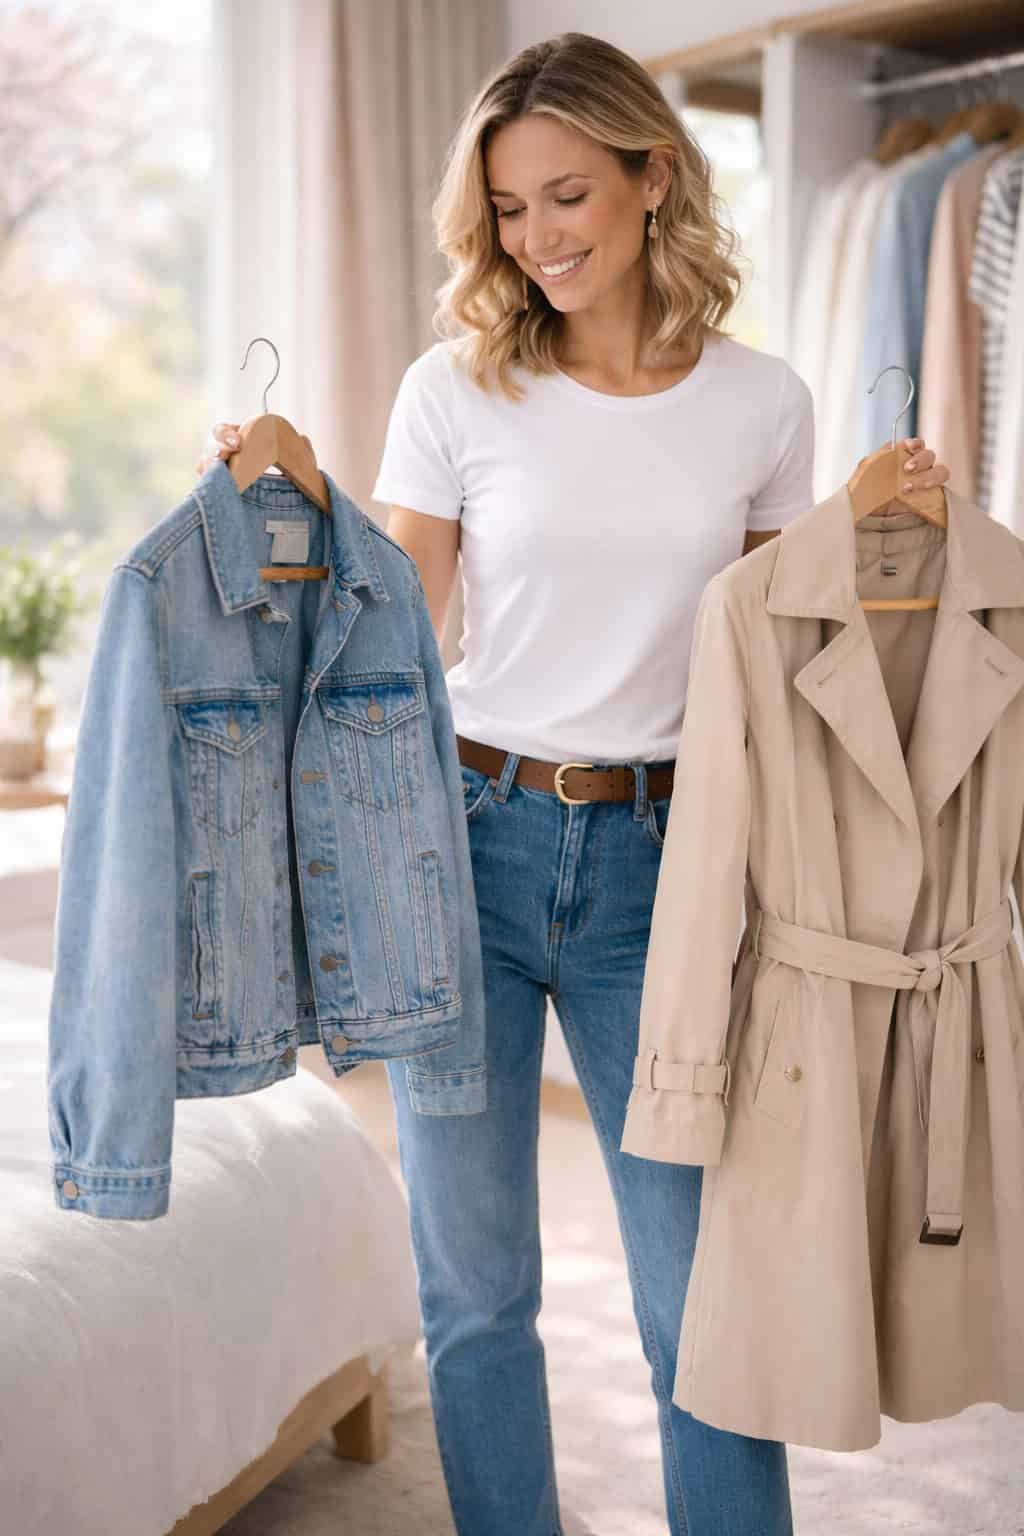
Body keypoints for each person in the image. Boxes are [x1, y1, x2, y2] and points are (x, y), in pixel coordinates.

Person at [197, 31, 952, 1536]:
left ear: (651, 174)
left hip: (662, 868)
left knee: (699, 1311)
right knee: (475, 1295)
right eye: (510, 213)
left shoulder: (761, 402)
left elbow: (770, 657)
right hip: (458, 851)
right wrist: (309, 507)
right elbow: (399, 631)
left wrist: (870, 545)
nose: (539, 240)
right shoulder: (457, 388)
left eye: (566, 197)